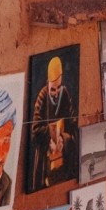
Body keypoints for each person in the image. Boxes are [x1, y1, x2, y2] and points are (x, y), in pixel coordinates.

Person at [29, 56, 77, 190]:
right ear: (47, 84)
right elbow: (35, 129)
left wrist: (63, 139)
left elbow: (74, 125)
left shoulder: (65, 94)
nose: (56, 93)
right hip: (46, 156)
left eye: (58, 88)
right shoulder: (42, 97)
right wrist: (51, 137)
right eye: (53, 89)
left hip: (63, 154)